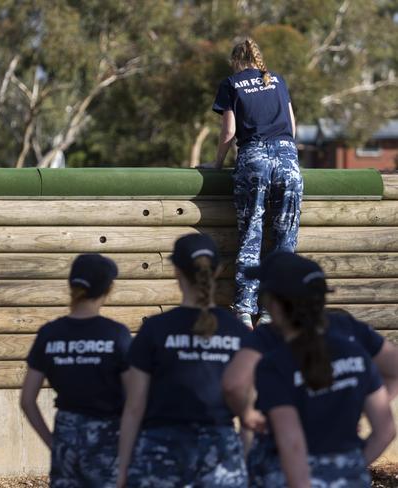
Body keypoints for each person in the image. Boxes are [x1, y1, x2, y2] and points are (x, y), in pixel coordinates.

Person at [222, 255, 398, 487]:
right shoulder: (356, 352)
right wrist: (348, 467)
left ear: (274, 304)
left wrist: (247, 416)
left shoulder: (275, 363)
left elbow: (292, 445)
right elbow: (385, 430)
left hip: (284, 474)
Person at [117, 233, 251, 487]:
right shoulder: (239, 333)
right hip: (220, 450)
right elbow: (249, 414)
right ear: (219, 269)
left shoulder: (154, 329)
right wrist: (242, 465)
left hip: (159, 451)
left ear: (176, 271)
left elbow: (134, 407)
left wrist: (123, 469)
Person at [211, 37, 302, 328]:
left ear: (236, 61)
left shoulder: (232, 83)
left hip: (254, 158)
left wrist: (216, 164)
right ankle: (271, 311)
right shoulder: (277, 80)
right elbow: (292, 125)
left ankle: (244, 310)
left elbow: (229, 131)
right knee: (284, 237)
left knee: (252, 234)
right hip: (288, 159)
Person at [20, 254, 132, 488]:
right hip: (109, 441)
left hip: (66, 437)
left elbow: (27, 400)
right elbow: (135, 400)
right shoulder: (116, 334)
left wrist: (54, 444)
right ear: (107, 289)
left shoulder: (49, 334)